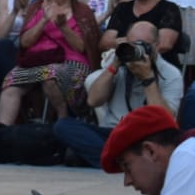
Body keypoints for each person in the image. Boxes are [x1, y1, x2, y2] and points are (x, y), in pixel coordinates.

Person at [55, 21, 184, 168]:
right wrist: (115, 64)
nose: (137, 49)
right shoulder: (120, 63)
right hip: (115, 133)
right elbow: (93, 101)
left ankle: (111, 159)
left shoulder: (170, 74)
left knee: (160, 147)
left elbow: (165, 118)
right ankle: (125, 162)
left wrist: (148, 78)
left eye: (143, 44)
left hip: (145, 137)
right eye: (133, 44)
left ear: (156, 45)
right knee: (63, 126)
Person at [0, 0, 99, 124]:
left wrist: (64, 27)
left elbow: (81, 47)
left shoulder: (82, 11)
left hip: (71, 62)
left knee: (50, 76)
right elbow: (25, 43)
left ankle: (62, 120)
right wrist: (44, 20)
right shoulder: (37, 7)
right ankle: (3, 131)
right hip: (39, 60)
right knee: (11, 81)